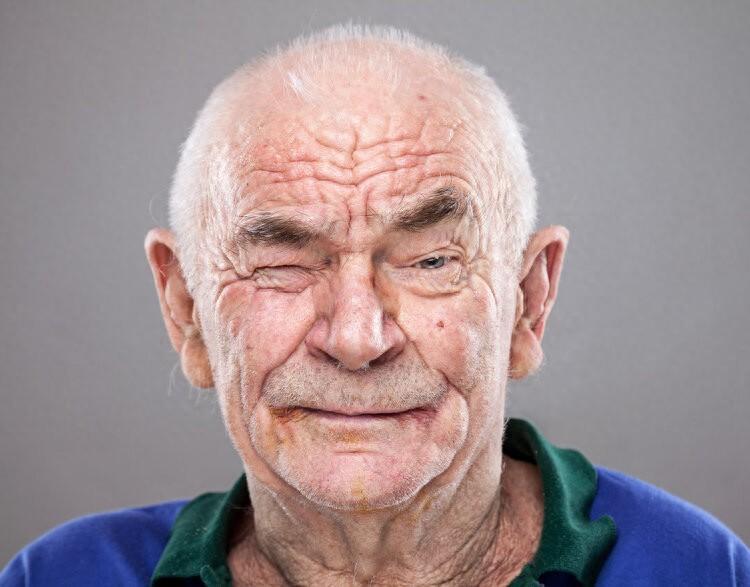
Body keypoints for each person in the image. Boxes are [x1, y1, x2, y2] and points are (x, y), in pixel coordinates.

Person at [2, 24, 748, 587]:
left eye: (431, 261)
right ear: (186, 310)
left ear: (528, 301)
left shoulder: (702, 570)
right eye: (282, 264)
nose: (357, 338)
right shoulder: (61, 576)